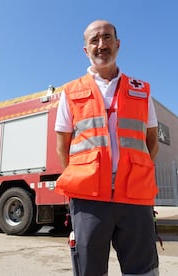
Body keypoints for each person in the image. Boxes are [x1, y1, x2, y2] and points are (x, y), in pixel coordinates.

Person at [55, 20, 160, 276]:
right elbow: (63, 148)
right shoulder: (70, 92)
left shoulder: (141, 90)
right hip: (89, 199)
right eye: (94, 40)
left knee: (142, 271)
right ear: (85, 49)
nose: (101, 45)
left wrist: (135, 172)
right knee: (90, 270)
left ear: (118, 43)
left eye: (107, 37)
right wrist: (84, 179)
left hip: (134, 196)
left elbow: (152, 141)